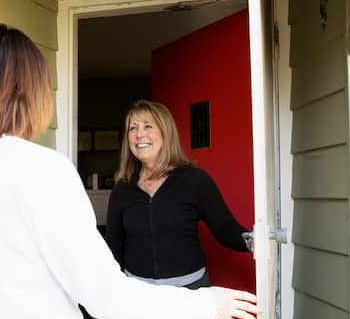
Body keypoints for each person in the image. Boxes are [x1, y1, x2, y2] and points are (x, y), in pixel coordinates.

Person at [0, 25, 260, 319]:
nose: (139, 135)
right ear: (33, 94)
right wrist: (205, 306)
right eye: (133, 128)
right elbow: (105, 295)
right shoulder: (42, 171)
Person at [106, 100, 253, 290]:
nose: (139, 134)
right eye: (132, 128)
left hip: (189, 291)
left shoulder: (194, 180)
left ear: (166, 133)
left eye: (148, 126)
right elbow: (113, 248)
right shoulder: (122, 188)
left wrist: (250, 240)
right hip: (138, 294)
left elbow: (225, 228)